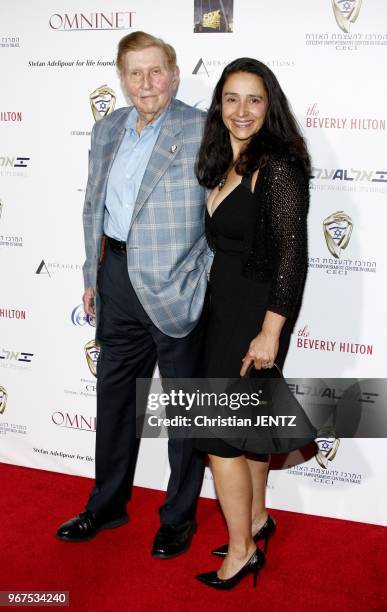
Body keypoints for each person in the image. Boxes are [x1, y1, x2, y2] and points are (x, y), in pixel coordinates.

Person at [56, 31, 211, 559]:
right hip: (115, 278)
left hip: (175, 286)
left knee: (185, 409)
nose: (146, 84)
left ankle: (178, 517)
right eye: (134, 73)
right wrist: (92, 274)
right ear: (121, 78)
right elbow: (92, 206)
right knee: (116, 399)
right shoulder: (108, 128)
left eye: (155, 71)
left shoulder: (202, 128)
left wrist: (200, 276)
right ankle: (107, 503)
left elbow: (229, 212)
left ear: (174, 73)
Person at [194, 58, 310, 589]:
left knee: (219, 437)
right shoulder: (224, 158)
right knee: (253, 426)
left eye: (254, 99)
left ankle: (241, 552)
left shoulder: (279, 165)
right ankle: (258, 520)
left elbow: (293, 256)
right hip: (223, 308)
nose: (242, 111)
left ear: (271, 105)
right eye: (232, 99)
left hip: (256, 314)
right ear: (220, 104)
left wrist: (271, 331)